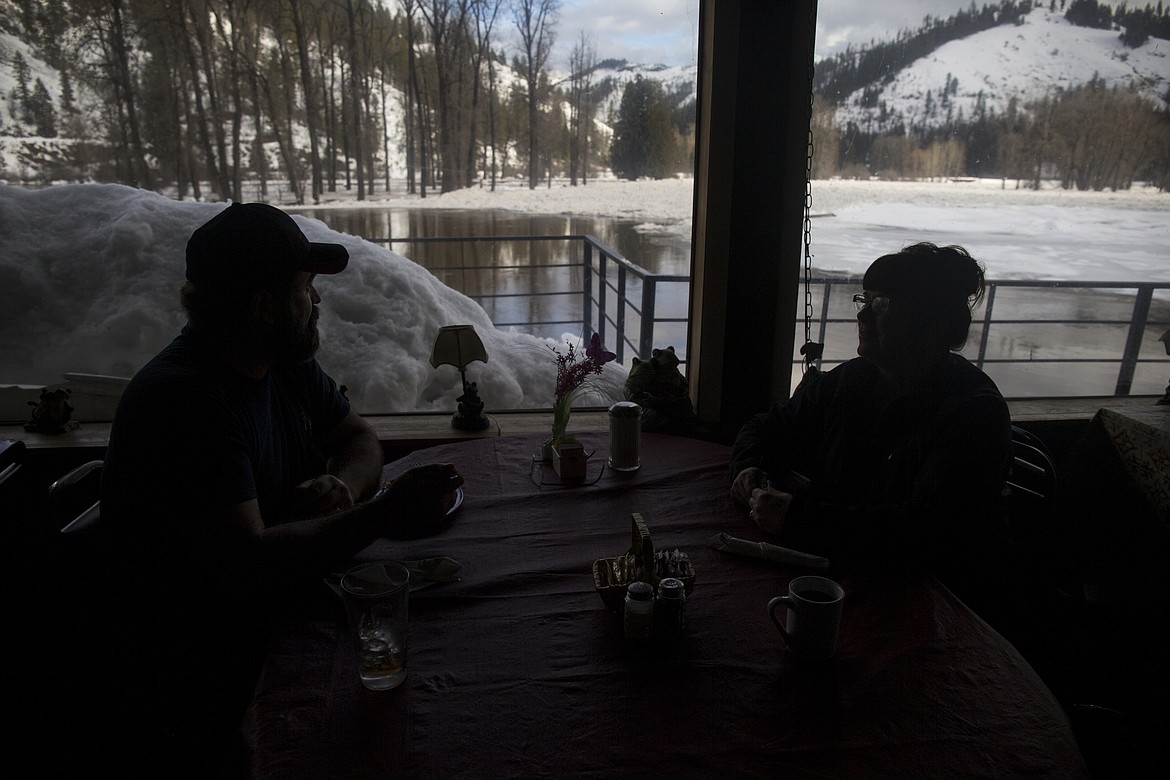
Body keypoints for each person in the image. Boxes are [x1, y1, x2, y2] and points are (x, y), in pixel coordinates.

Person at [58, 203, 461, 774]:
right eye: (306, 288)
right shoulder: (185, 401)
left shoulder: (279, 360)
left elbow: (359, 438)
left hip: (265, 619)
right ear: (263, 306)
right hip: (192, 682)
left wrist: (343, 489)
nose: (317, 301)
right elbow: (244, 564)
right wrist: (382, 514)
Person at [729, 242, 1014, 615]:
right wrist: (749, 467)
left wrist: (798, 518)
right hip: (841, 583)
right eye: (864, 300)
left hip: (929, 608)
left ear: (930, 322)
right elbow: (767, 427)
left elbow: (923, 533)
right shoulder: (853, 380)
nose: (862, 316)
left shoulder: (974, 415)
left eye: (881, 304)